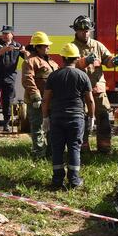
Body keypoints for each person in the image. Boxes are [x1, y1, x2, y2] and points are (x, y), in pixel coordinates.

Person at [43, 43, 94, 189]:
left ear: (63, 58)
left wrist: (45, 118)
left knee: (57, 148)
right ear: (77, 58)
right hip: (76, 118)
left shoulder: (53, 76)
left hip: (57, 117)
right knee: (74, 148)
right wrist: (91, 118)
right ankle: (74, 180)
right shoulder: (83, 76)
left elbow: (46, 99)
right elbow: (90, 100)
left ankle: (57, 181)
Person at [71, 15, 118, 154]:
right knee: (82, 120)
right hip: (80, 92)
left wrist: (113, 61)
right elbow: (70, 65)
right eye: (82, 31)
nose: (85, 33)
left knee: (104, 118)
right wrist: (85, 61)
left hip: (98, 90)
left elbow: (107, 60)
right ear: (76, 31)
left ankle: (104, 148)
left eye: (87, 31)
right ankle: (83, 149)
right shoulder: (72, 47)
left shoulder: (97, 45)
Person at [22, 31, 58, 159]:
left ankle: (51, 153)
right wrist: (35, 96)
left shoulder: (50, 61)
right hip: (37, 101)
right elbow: (27, 79)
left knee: (51, 128)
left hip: (50, 101)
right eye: (45, 45)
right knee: (37, 127)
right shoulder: (30, 61)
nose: (48, 47)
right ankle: (39, 154)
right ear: (37, 47)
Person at [0, 25, 27, 132]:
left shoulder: (17, 45)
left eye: (6, 33)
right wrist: (4, 50)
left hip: (9, 77)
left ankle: (6, 123)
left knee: (8, 100)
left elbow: (28, 58)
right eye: (3, 33)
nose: (4, 35)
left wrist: (25, 52)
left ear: (12, 34)